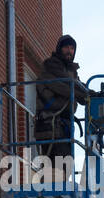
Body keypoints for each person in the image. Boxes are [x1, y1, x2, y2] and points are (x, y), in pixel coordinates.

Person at [34, 34, 88, 168]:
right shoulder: (52, 65)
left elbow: (80, 89)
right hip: (50, 124)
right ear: (59, 49)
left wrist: (96, 95)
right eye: (66, 47)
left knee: (65, 165)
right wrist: (87, 95)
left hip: (64, 126)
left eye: (72, 48)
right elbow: (69, 87)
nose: (69, 51)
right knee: (56, 167)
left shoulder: (72, 72)